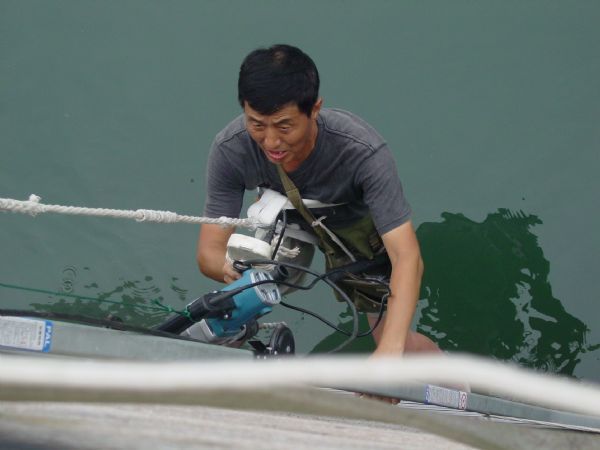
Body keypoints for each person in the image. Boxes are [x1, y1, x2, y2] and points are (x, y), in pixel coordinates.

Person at [197, 44, 441, 359]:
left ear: (314, 109)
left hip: (352, 225)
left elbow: (407, 257)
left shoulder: (363, 152)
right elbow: (209, 252)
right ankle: (230, 341)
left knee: (395, 341)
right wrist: (233, 272)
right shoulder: (231, 149)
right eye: (257, 124)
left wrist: (389, 353)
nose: (270, 141)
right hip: (288, 217)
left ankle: (452, 378)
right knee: (240, 300)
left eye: (284, 126)